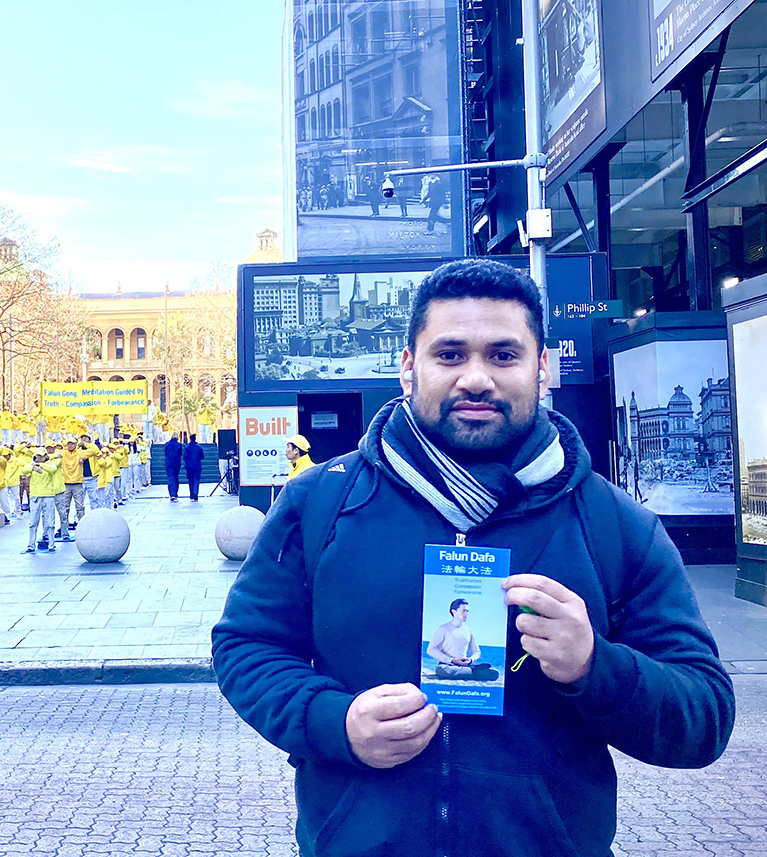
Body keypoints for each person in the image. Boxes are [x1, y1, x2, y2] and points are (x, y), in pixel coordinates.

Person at [211, 259, 735, 857]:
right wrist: (333, 722)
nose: (476, 378)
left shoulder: (618, 525)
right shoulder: (321, 501)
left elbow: (705, 715)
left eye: (504, 355)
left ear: (543, 367)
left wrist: (594, 665)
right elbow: (246, 645)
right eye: (450, 354)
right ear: (408, 366)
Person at [427, 599, 499, 682]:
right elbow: (430, 650)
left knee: (494, 673)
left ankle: (470, 671)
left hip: (465, 665)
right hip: (448, 666)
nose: (466, 614)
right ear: (454, 612)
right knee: (445, 671)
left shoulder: (468, 630)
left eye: (467, 611)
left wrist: (470, 659)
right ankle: (474, 671)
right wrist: (452, 660)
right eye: (463, 611)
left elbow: (477, 652)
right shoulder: (443, 629)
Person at [21, 448, 60, 554]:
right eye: (38, 456)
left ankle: (51, 544)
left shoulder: (50, 463)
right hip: (35, 496)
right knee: (33, 522)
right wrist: (33, 467)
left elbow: (53, 469)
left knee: (50, 522)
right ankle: (31, 545)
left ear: (46, 456)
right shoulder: (32, 464)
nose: (40, 457)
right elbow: (23, 470)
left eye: (42, 456)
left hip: (48, 495)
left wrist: (41, 466)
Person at [183, 433, 204, 501]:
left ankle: (191, 493)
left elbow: (185, 457)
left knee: (190, 480)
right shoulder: (199, 447)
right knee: (196, 480)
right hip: (197, 466)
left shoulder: (187, 447)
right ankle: (195, 493)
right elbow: (202, 456)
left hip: (189, 466)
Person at [164, 433, 183, 501]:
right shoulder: (179, 445)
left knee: (170, 478)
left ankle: (171, 494)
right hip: (176, 463)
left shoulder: (167, 444)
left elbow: (165, 453)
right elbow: (180, 453)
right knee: (176, 477)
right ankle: (175, 493)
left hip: (169, 463)